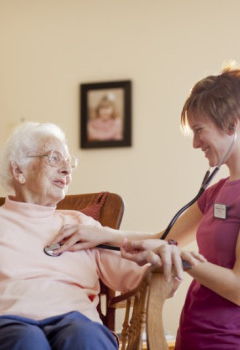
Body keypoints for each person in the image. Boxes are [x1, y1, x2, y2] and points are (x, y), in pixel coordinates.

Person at [0, 122, 200, 350]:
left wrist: (164, 263)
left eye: (70, 162)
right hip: (3, 326)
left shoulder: (82, 226)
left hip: (78, 324)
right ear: (19, 170)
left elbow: (136, 278)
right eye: (54, 159)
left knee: (85, 337)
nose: (67, 169)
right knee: (26, 341)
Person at [52, 64, 240, 350]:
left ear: (233, 123)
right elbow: (165, 237)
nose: (195, 143)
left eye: (200, 130)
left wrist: (184, 260)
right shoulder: (216, 192)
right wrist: (102, 235)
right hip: (193, 334)